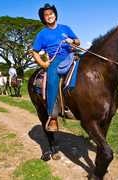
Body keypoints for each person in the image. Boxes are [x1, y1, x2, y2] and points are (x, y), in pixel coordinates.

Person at [32, 3, 80, 132]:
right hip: (56, 60)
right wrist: (42, 64)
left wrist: (72, 41)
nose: (49, 16)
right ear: (44, 18)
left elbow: (78, 41)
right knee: (52, 81)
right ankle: (52, 117)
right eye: (46, 15)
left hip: (71, 56)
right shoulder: (41, 34)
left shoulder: (66, 28)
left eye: (51, 13)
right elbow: (35, 52)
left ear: (55, 15)